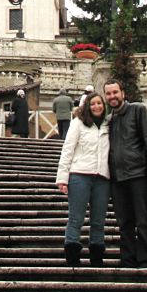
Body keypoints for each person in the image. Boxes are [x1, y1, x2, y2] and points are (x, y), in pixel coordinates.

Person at [105, 78, 147, 269]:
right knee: (124, 221)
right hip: (118, 178)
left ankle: (146, 257)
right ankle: (128, 258)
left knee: (143, 218)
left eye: (115, 92)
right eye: (108, 93)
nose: (112, 96)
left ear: (123, 93)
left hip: (138, 174)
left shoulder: (137, 110)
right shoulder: (110, 119)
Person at [56, 91, 111, 266]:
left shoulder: (109, 125)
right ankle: (72, 256)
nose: (96, 106)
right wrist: (62, 177)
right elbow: (68, 150)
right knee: (76, 218)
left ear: (104, 106)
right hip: (79, 174)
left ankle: (96, 256)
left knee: (99, 220)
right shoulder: (78, 123)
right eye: (93, 104)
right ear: (87, 106)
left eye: (99, 103)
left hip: (102, 176)